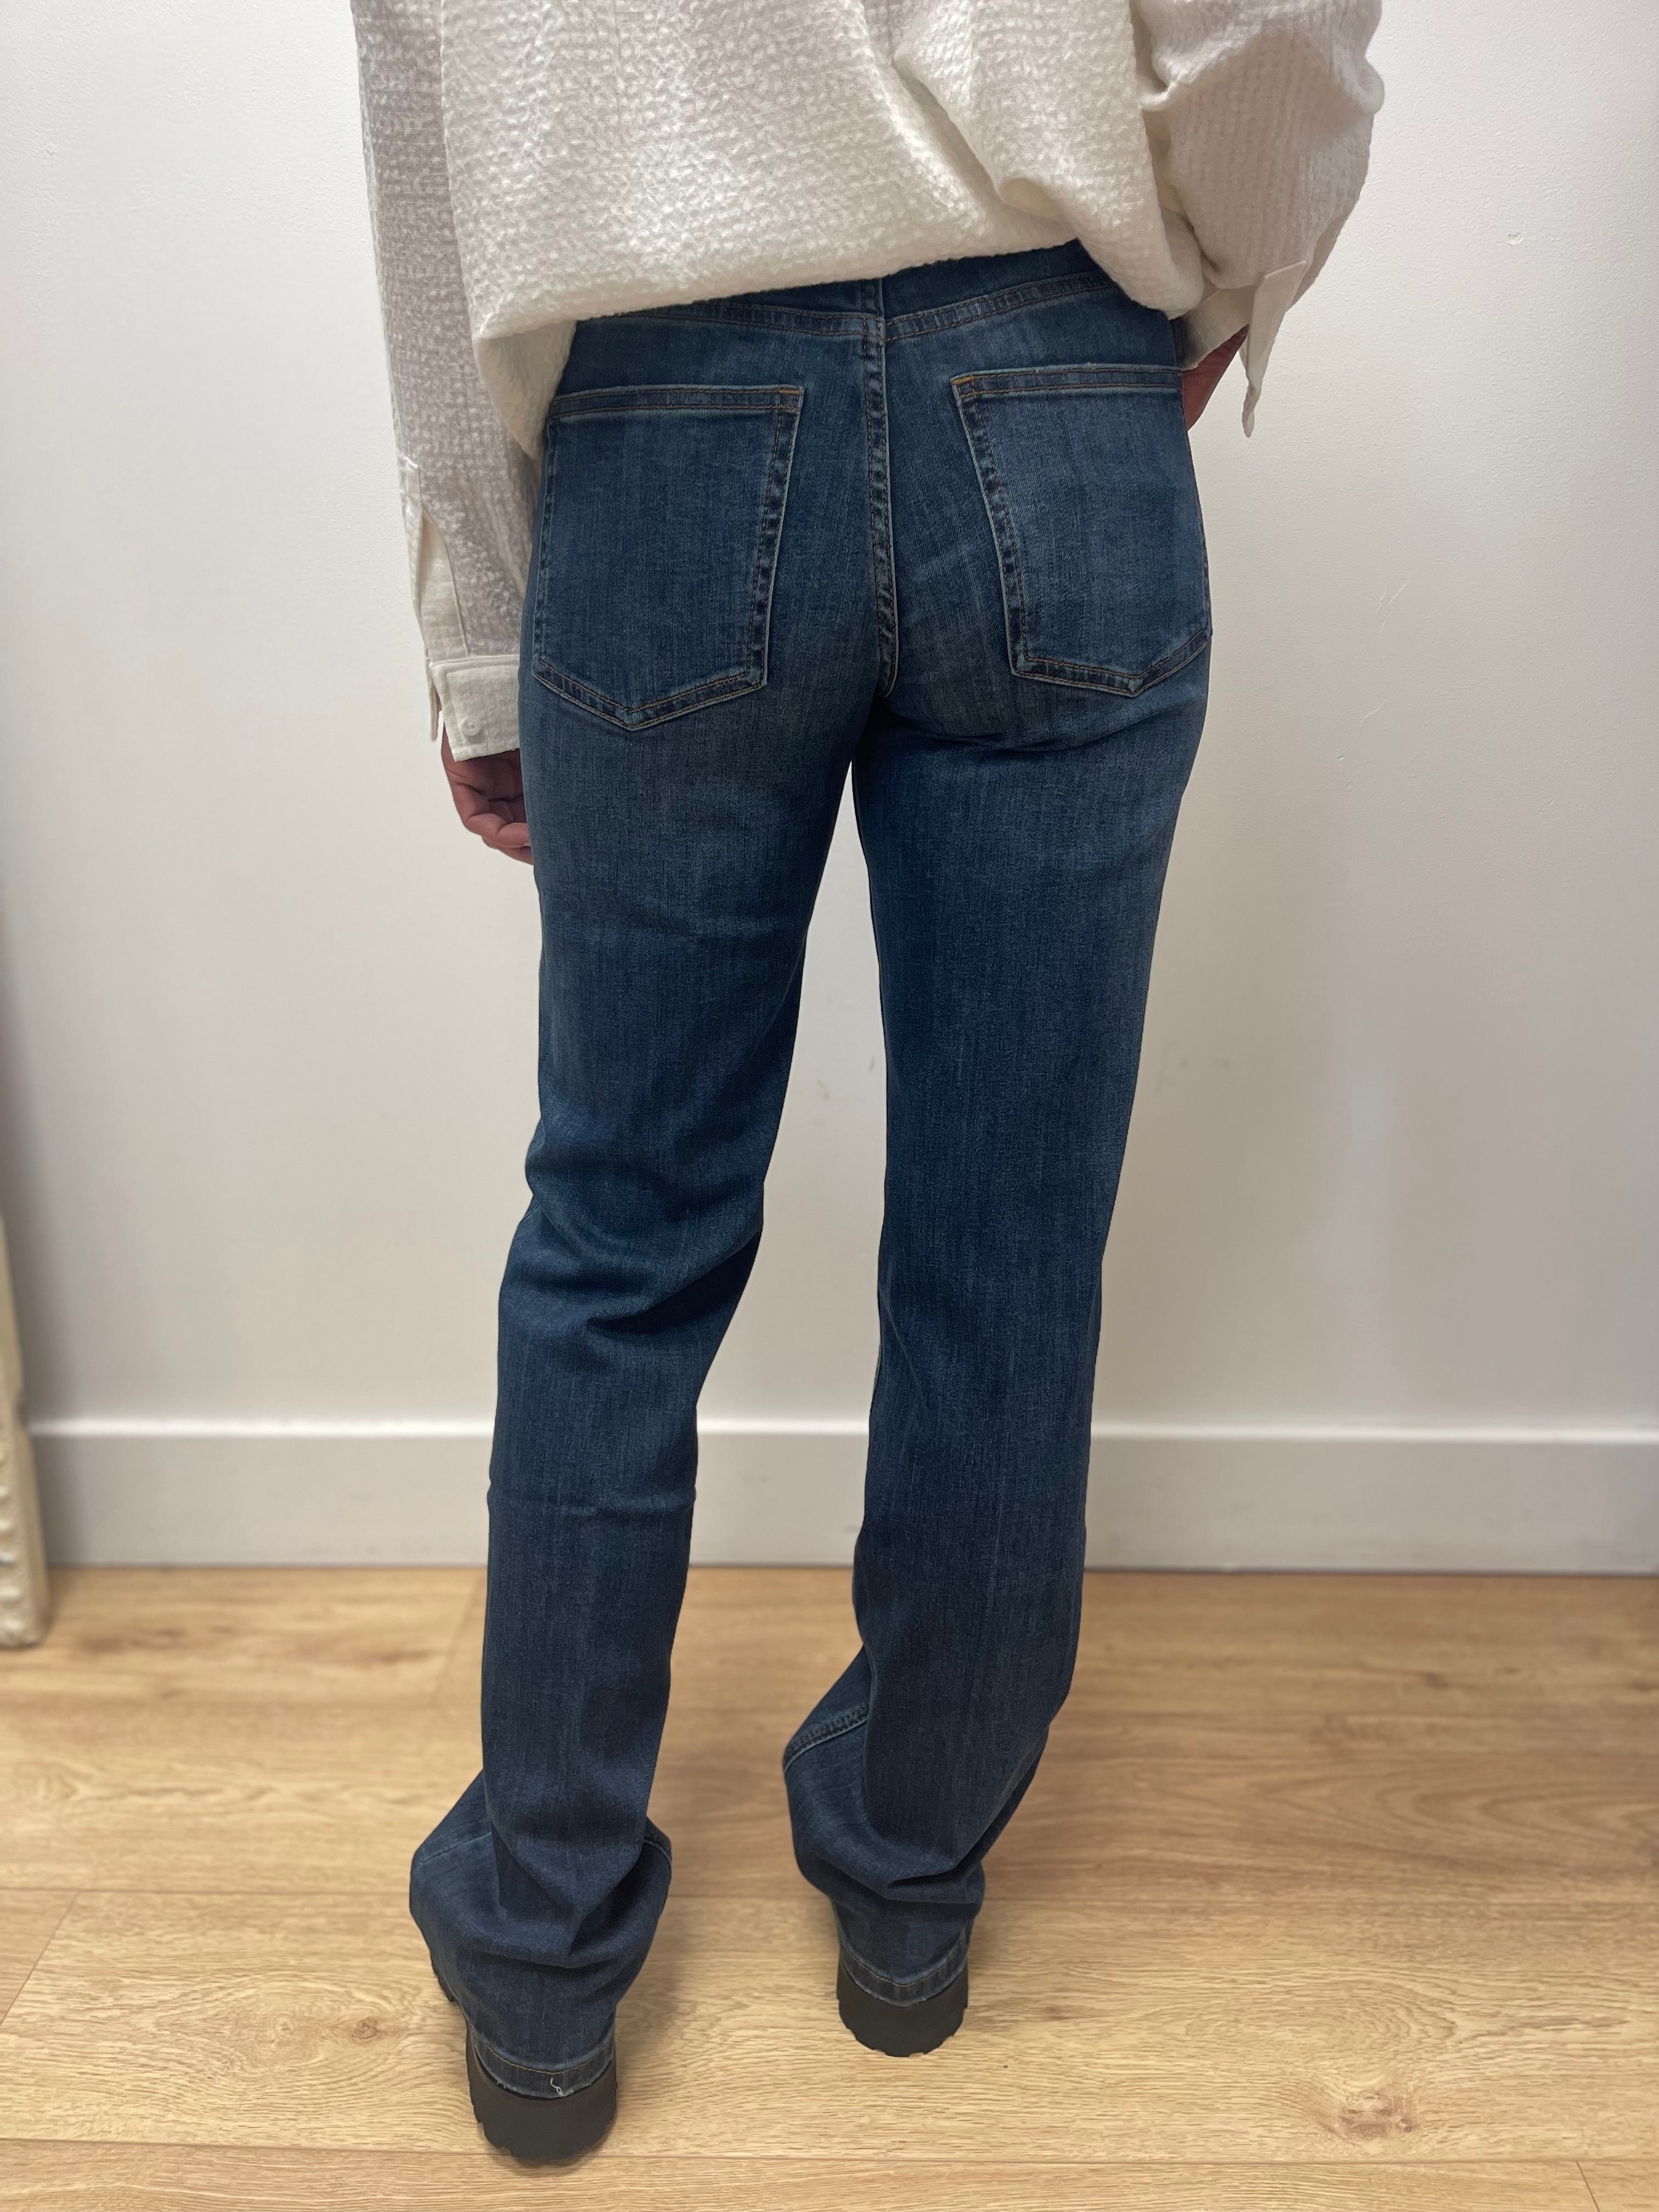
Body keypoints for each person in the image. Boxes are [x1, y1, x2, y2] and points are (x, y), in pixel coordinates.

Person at [350, 0, 1383, 2164]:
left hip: (661, 430)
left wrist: (480, 620)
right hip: (1057, 396)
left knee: (621, 1233)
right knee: (1011, 1240)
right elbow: (1273, 18)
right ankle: (911, 1883)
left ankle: (542, 1957)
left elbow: (430, 152)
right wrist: (1224, 274)